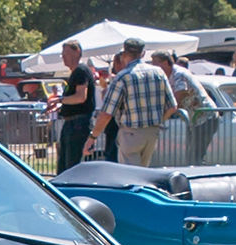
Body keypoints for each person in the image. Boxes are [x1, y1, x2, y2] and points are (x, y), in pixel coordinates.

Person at [84, 38, 177, 166]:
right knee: (143, 173)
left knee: (130, 176)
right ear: (143, 53)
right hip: (152, 132)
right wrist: (159, 121)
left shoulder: (122, 77)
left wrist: (93, 137)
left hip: (131, 133)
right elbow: (173, 106)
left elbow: (107, 113)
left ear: (124, 54)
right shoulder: (158, 73)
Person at [49, 40, 96, 173]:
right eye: (62, 54)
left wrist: (60, 100)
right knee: (64, 163)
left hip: (78, 124)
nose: (63, 57)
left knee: (72, 165)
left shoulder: (81, 71)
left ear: (77, 52)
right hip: (72, 123)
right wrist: (61, 105)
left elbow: (81, 97)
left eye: (66, 53)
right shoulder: (76, 72)